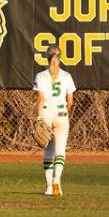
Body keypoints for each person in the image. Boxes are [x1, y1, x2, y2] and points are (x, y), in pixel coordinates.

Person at [33, 44, 76, 197]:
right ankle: (57, 179)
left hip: (46, 112)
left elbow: (40, 99)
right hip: (61, 112)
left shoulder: (41, 76)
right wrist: (64, 112)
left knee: (48, 151)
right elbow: (70, 101)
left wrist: (39, 117)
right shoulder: (66, 76)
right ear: (61, 57)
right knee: (60, 151)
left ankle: (49, 187)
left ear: (47, 57)